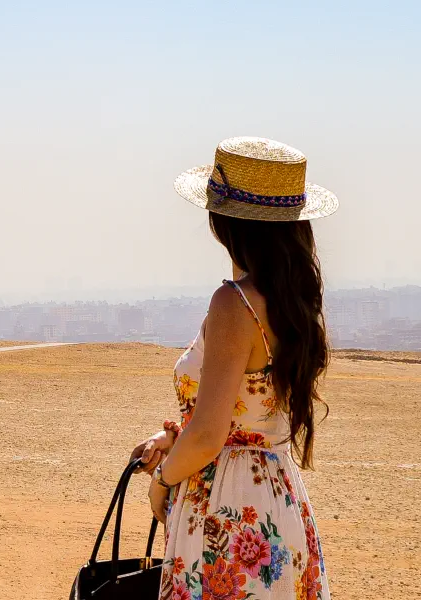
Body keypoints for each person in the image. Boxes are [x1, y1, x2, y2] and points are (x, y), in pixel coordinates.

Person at [132, 136, 335, 600]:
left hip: (228, 509)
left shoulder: (234, 303)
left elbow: (210, 434)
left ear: (225, 222)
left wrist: (161, 485)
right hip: (279, 503)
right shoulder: (291, 302)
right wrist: (171, 439)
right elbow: (249, 416)